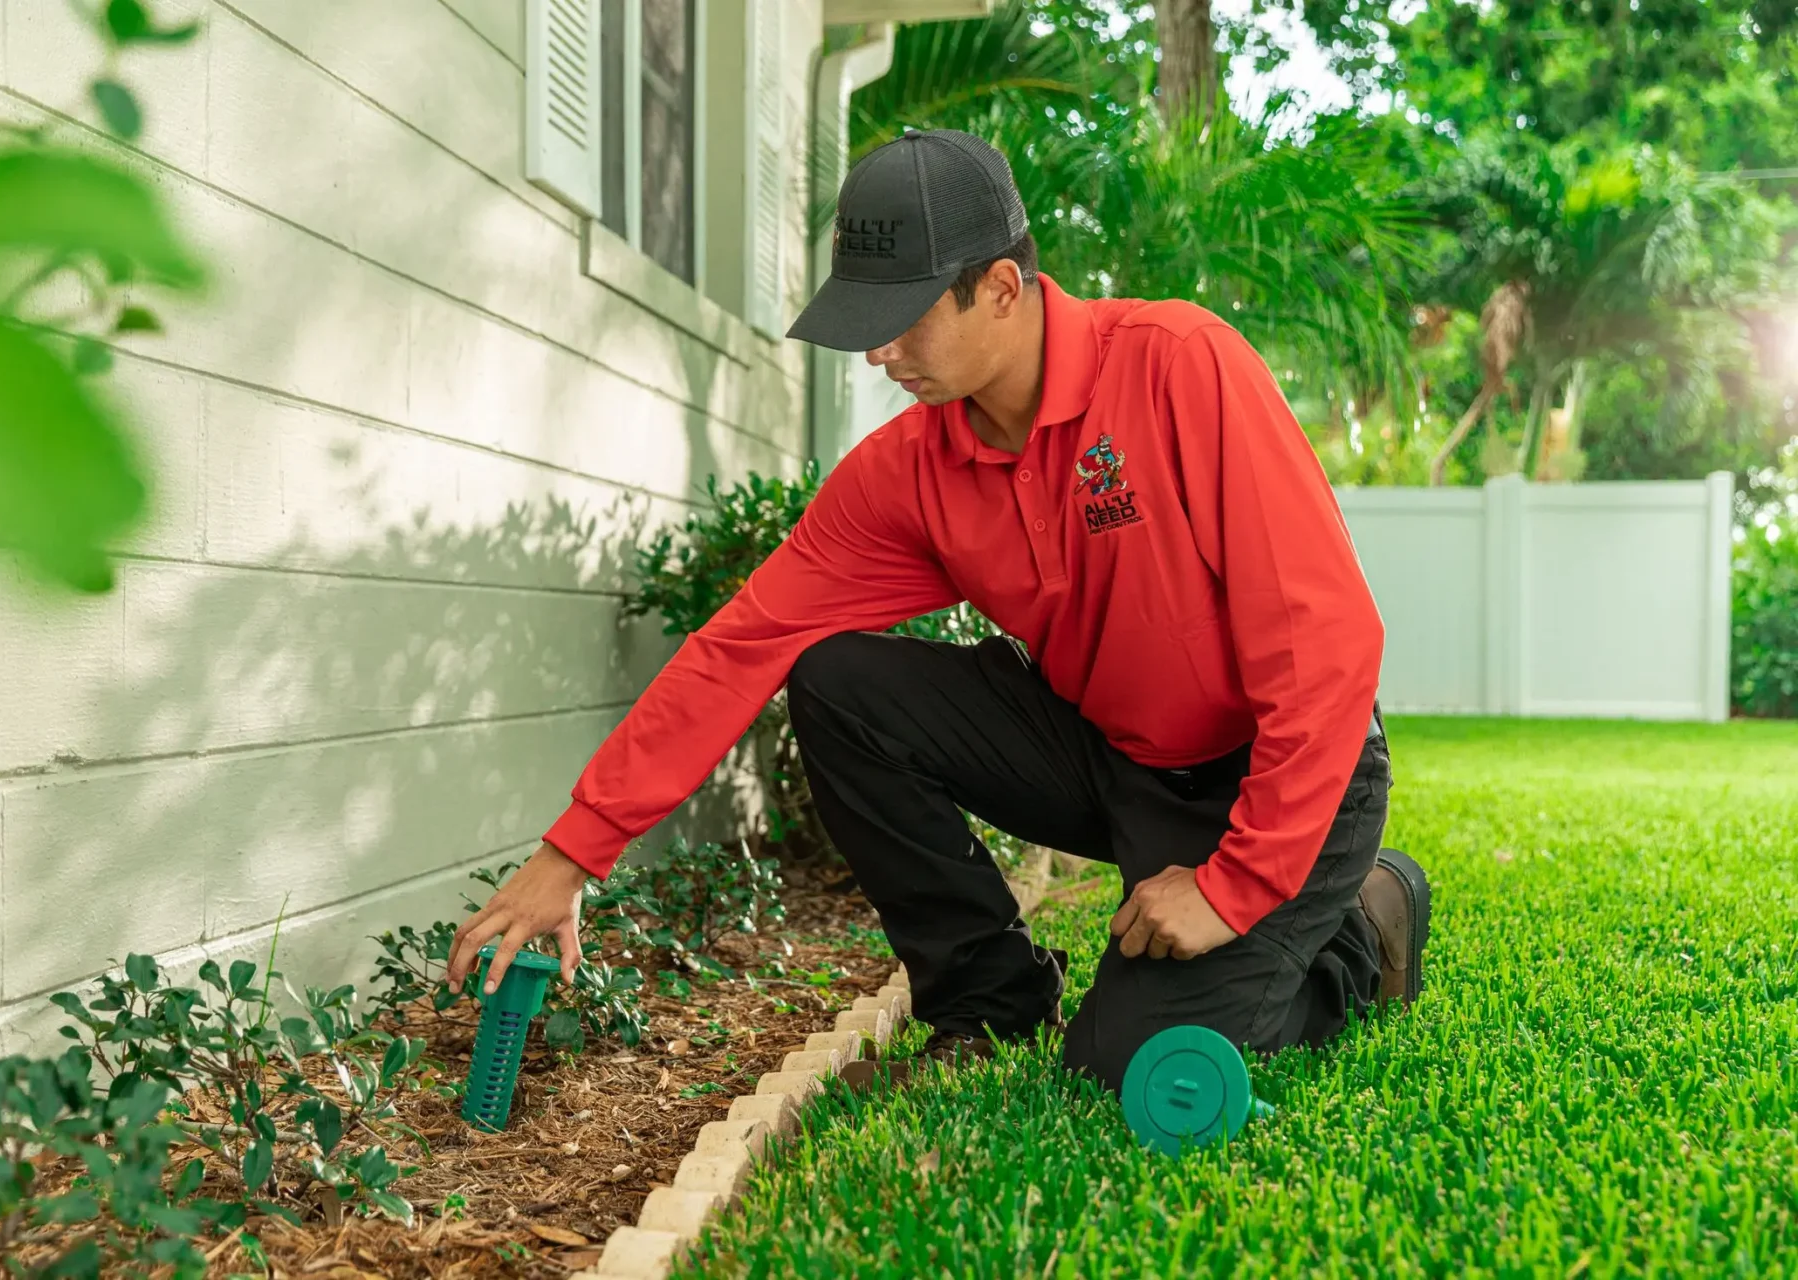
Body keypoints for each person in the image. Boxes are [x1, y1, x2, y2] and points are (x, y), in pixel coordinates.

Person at [445, 129, 1430, 1092]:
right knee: (837, 682)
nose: (880, 350)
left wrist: (1236, 884)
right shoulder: (912, 473)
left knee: (1125, 1067)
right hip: (1117, 755)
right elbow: (741, 645)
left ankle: (1365, 916)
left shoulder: (1180, 365)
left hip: (1292, 770)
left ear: (1002, 287)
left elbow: (1327, 645)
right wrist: (571, 855)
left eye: (907, 316)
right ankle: (989, 995)